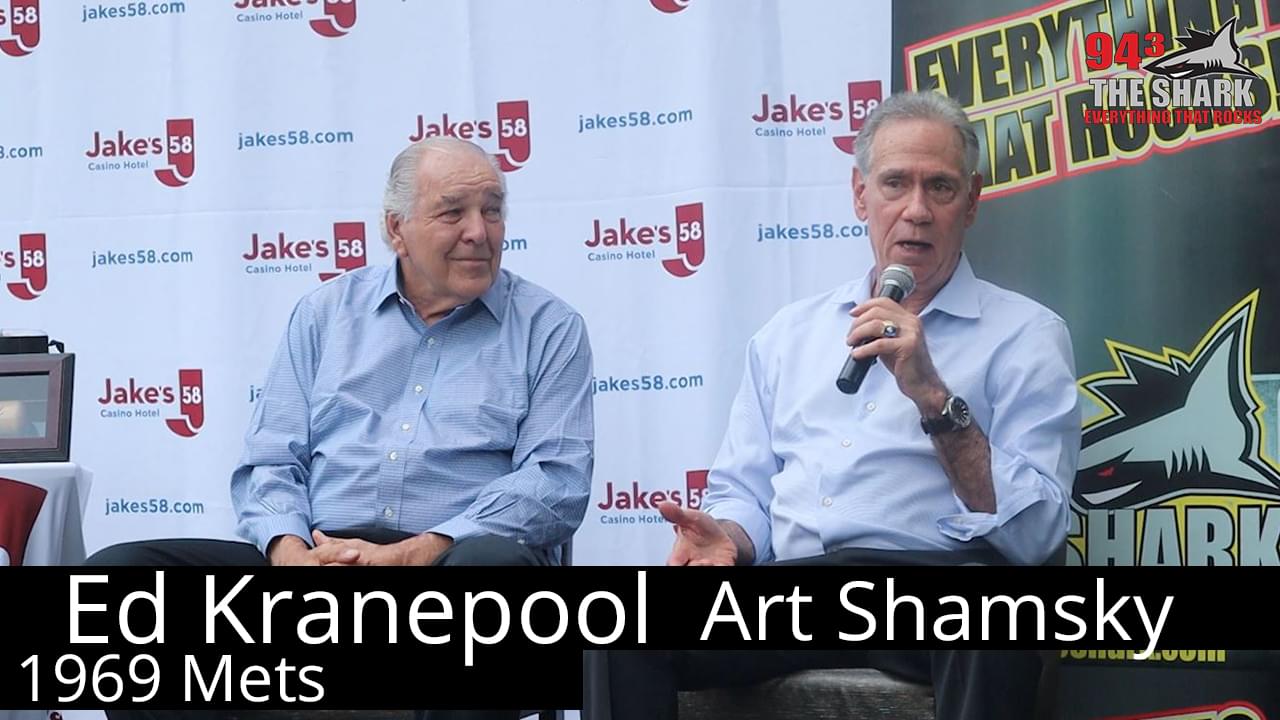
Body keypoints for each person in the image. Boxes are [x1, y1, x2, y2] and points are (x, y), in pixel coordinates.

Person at [589, 90, 1080, 720]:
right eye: (896, 184)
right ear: (859, 195)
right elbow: (744, 490)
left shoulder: (1026, 335)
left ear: (973, 202)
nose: (917, 211)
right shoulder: (789, 334)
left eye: (941, 188)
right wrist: (731, 541)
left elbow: (1036, 535)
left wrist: (933, 396)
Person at [86, 136, 596, 720]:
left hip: (451, 562)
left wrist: (417, 553)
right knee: (118, 576)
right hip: (320, 558)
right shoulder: (325, 314)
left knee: (494, 572)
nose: (479, 231)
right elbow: (271, 462)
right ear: (396, 230)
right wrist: (288, 551)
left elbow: (556, 483)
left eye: (493, 209)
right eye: (453, 211)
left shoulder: (549, 328)